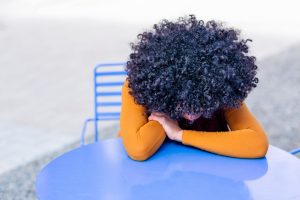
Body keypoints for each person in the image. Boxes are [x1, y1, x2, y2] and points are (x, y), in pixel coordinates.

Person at [118, 14, 269, 161]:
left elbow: (257, 143)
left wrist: (179, 134)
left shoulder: (219, 88)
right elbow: (138, 149)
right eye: (183, 103)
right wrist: (163, 116)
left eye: (202, 104)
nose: (191, 114)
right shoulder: (141, 87)